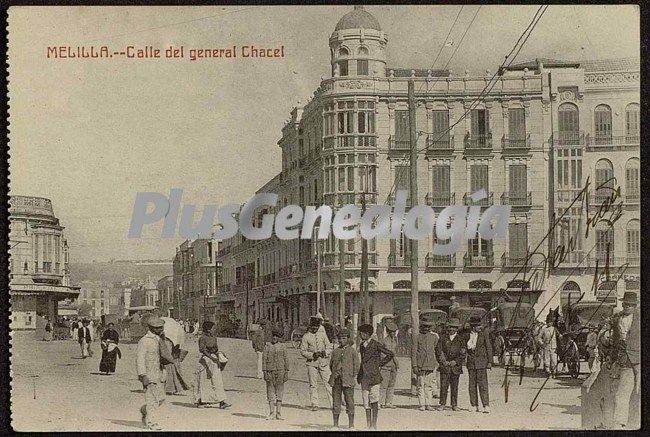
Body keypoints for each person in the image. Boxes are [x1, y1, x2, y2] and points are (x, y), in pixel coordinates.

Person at [607, 292, 640, 428]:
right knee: (621, 394)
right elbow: (615, 341)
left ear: (635, 306)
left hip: (640, 359)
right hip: (625, 361)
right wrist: (611, 357)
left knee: (639, 392)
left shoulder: (640, 318)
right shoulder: (617, 319)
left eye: (630, 305)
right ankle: (620, 424)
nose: (627, 307)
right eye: (625, 304)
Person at [136, 316, 171, 430]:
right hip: (149, 373)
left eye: (162, 327)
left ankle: (144, 410)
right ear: (151, 328)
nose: (161, 329)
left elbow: (165, 355)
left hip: (160, 373)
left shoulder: (160, 339)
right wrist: (143, 375)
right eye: (158, 328)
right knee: (152, 400)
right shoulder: (144, 341)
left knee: (161, 398)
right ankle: (152, 423)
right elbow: (140, 359)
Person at [358, 323, 394, 429]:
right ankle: (368, 425)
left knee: (374, 400)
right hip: (364, 376)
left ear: (367, 334)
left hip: (374, 376)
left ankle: (374, 425)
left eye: (362, 333)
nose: (360, 334)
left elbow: (390, 354)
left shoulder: (375, 344)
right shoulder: (361, 345)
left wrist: (379, 364)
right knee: (366, 401)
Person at [195, 321, 231, 409]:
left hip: (214, 361)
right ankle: (201, 401)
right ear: (208, 329)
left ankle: (222, 402)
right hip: (205, 361)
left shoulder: (214, 338)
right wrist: (212, 358)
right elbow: (202, 350)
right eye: (213, 328)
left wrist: (219, 357)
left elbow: (216, 349)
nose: (214, 330)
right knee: (205, 382)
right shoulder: (202, 338)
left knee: (217, 381)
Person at [300, 316, 333, 411]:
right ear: (310, 326)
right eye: (313, 326)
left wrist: (324, 352)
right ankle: (315, 403)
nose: (315, 328)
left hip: (323, 362)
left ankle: (333, 404)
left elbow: (329, 347)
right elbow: (303, 351)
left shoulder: (323, 335)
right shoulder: (306, 336)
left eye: (317, 326)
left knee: (329, 383)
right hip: (312, 363)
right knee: (313, 384)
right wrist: (312, 355)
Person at [329, 328, 359, 429]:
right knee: (336, 402)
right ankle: (335, 425)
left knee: (349, 401)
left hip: (348, 380)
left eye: (344, 338)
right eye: (340, 338)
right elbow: (331, 365)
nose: (341, 340)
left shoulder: (352, 351)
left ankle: (351, 425)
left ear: (348, 339)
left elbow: (356, 366)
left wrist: (351, 375)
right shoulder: (335, 351)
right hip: (336, 380)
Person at [437, 318, 466, 411]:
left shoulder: (461, 339)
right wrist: (443, 361)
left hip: (455, 367)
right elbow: (438, 350)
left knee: (454, 386)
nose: (452, 329)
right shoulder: (442, 338)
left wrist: (456, 361)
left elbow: (463, 353)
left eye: (454, 328)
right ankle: (442, 404)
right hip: (445, 366)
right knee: (443, 385)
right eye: (450, 327)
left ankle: (454, 404)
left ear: (457, 329)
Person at [466, 315, 492, 413]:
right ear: (473, 326)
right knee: (472, 385)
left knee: (483, 385)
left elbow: (489, 347)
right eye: (478, 326)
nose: (480, 327)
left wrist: (489, 361)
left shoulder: (483, 334)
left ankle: (486, 405)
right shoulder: (467, 335)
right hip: (471, 363)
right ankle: (474, 405)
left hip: (481, 363)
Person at [262, 328, 290, 420]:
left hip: (280, 371)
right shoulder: (267, 346)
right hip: (270, 371)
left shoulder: (283, 346)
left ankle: (278, 412)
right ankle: (271, 412)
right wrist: (265, 372)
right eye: (273, 336)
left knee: (279, 391)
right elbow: (264, 360)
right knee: (270, 391)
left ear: (279, 338)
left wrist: (286, 371)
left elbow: (286, 359)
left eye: (277, 336)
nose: (274, 338)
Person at [414, 321, 439, 411]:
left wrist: (436, 362)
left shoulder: (434, 337)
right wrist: (414, 365)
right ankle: (422, 404)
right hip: (420, 365)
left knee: (429, 385)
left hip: (430, 364)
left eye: (428, 327)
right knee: (420, 385)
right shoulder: (417, 337)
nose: (426, 328)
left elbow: (436, 349)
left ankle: (428, 404)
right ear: (421, 327)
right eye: (424, 326)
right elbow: (414, 353)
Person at [380, 320, 399, 408]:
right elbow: (381, 354)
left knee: (391, 384)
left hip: (393, 365)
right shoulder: (384, 341)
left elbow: (395, 352)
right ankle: (381, 402)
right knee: (384, 385)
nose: (393, 333)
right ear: (388, 332)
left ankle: (389, 402)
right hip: (386, 365)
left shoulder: (395, 341)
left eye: (394, 332)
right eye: (391, 332)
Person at [540, 312, 559, 378]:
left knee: (554, 361)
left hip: (554, 347)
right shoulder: (543, 330)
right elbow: (539, 338)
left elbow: (559, 336)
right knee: (547, 360)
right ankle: (548, 372)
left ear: (552, 322)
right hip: (546, 346)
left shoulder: (555, 329)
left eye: (550, 322)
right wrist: (542, 344)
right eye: (548, 322)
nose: (549, 323)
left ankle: (554, 372)